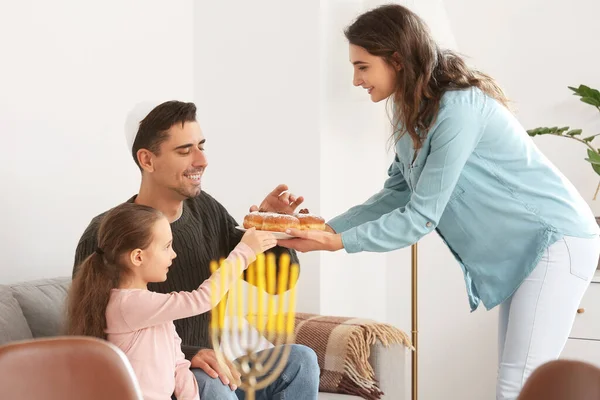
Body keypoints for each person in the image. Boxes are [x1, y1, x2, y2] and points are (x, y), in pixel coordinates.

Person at [277, 4, 600, 400]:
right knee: (516, 382)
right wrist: (326, 230)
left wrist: (338, 242)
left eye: (363, 66)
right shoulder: (405, 108)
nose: (356, 79)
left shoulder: (458, 109)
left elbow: (421, 216)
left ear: (395, 60)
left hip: (556, 240)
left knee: (518, 385)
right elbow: (397, 192)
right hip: (524, 250)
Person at [72, 100, 320, 400]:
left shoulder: (206, 210)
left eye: (201, 146)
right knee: (212, 382)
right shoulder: (108, 234)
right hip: (164, 383)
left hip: (213, 371)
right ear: (147, 160)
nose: (202, 160)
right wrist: (189, 354)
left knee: (301, 362)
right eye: (185, 150)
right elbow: (92, 344)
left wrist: (270, 230)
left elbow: (277, 283)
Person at [68, 202, 276, 400]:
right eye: (166, 247)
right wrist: (244, 252)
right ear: (138, 257)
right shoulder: (126, 305)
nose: (174, 254)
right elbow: (202, 299)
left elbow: (179, 366)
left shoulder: (155, 311)